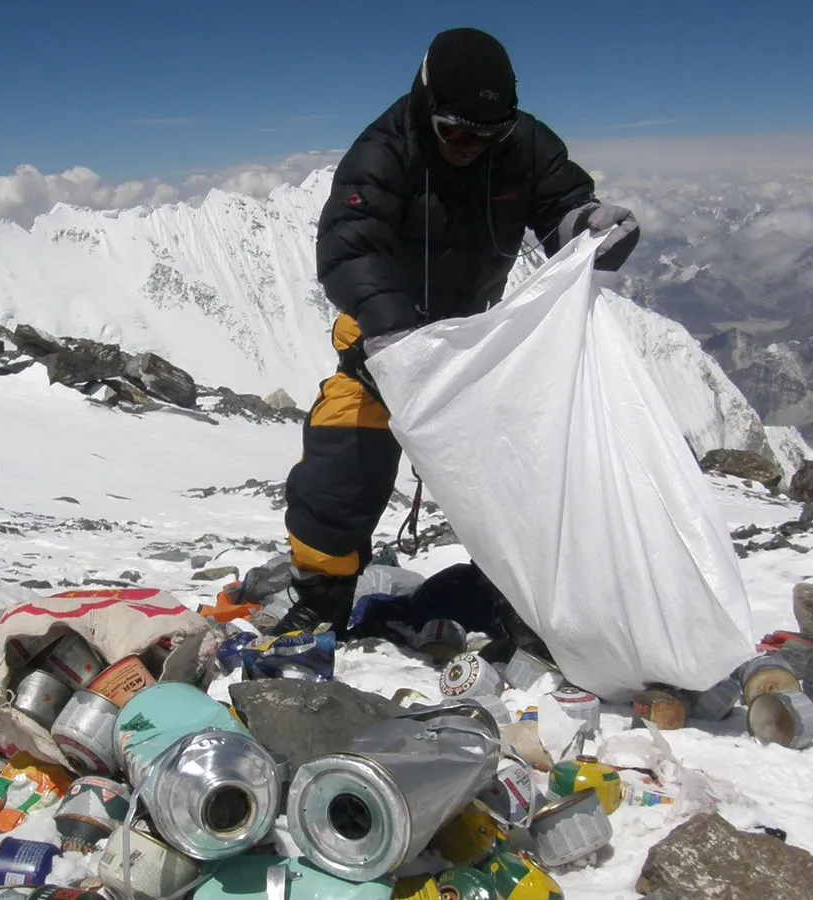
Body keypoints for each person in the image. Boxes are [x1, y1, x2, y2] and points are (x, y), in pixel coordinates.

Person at [270, 26, 640, 635]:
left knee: (524, 471)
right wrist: (392, 336)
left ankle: (522, 598)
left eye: (490, 133)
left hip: (475, 345)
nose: (472, 146)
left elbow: (561, 207)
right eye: (458, 132)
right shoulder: (383, 152)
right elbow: (347, 251)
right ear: (425, 105)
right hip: (382, 346)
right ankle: (321, 596)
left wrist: (589, 228)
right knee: (341, 465)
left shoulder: (525, 146)